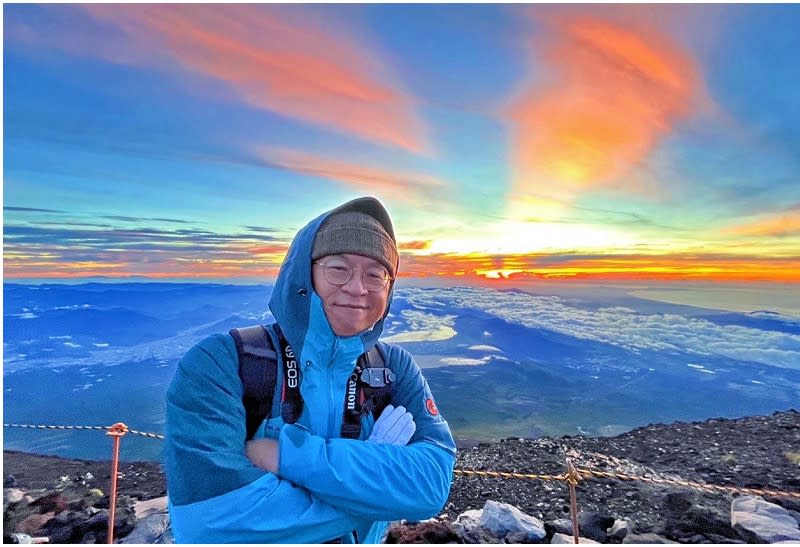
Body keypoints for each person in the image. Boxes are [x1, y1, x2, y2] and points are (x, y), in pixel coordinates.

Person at [164, 196, 457, 543]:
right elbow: (211, 522)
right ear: (304, 274)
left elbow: (430, 486)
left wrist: (287, 456)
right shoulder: (222, 362)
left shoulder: (394, 369)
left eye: (376, 274)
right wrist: (376, 489)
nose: (358, 287)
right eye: (338, 268)